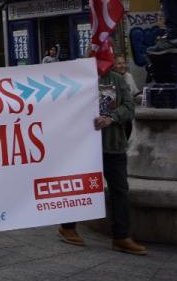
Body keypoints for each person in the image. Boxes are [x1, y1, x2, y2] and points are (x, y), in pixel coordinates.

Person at [58, 66, 146, 255]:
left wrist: (111, 118)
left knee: (120, 190)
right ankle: (67, 227)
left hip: (112, 146)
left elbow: (129, 108)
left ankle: (122, 236)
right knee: (79, 187)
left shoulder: (117, 80)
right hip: (84, 146)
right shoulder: (77, 78)